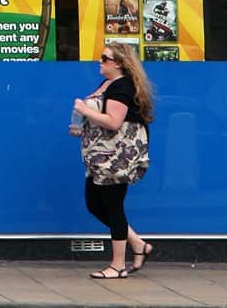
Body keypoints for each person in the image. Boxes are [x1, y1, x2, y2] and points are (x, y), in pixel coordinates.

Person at [71, 41, 154, 280]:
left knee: (113, 207)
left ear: (119, 63)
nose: (100, 61)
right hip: (100, 156)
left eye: (104, 58)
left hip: (115, 157)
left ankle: (118, 265)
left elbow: (113, 122)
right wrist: (83, 123)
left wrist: (85, 111)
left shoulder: (122, 87)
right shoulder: (108, 83)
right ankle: (137, 244)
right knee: (94, 205)